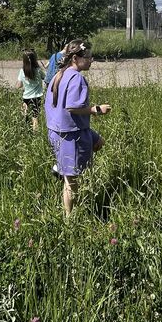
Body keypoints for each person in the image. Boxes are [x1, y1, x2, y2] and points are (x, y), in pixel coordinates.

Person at [44, 40, 111, 216]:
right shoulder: (76, 78)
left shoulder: (60, 74)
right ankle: (69, 219)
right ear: (75, 58)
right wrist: (97, 110)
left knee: (98, 142)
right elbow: (72, 107)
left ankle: (61, 168)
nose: (91, 60)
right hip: (70, 135)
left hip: (61, 130)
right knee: (71, 183)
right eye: (88, 57)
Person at [16, 49, 46, 131]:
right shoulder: (38, 70)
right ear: (34, 59)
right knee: (35, 117)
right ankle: (35, 134)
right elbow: (45, 78)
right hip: (37, 97)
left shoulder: (22, 71)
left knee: (24, 111)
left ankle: (24, 128)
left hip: (26, 96)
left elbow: (18, 85)